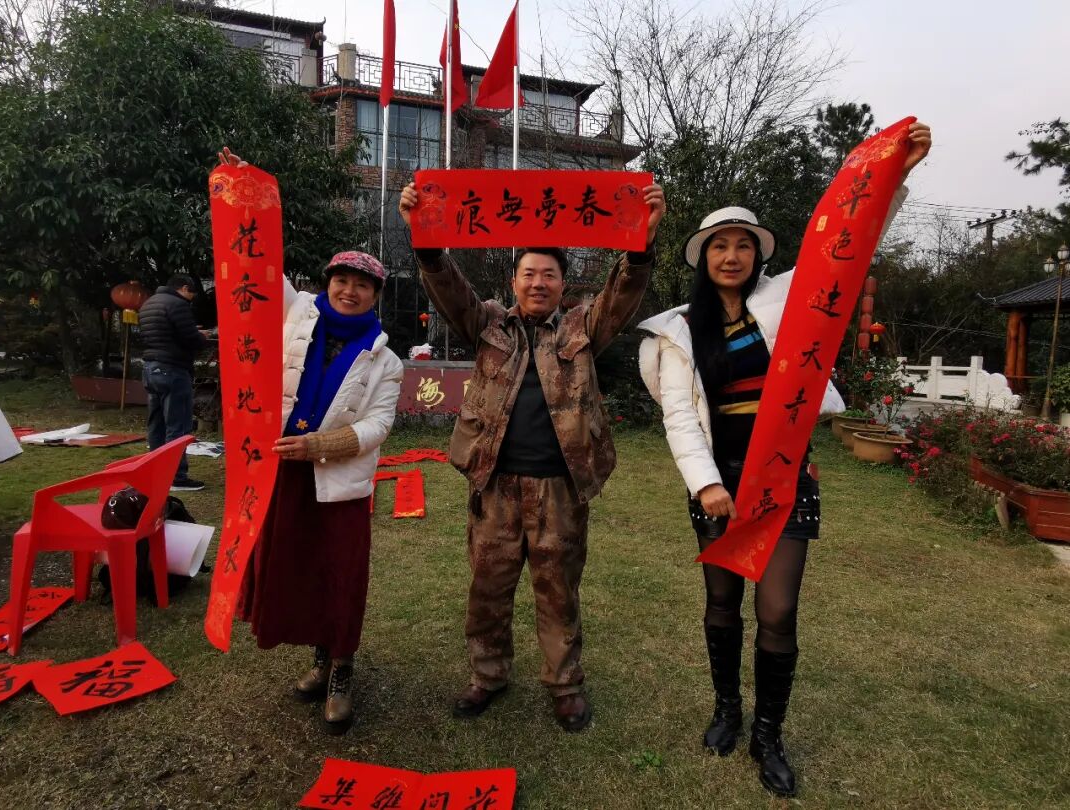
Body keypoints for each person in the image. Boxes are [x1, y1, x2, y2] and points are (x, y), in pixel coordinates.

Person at [637, 123, 931, 796]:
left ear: (757, 254)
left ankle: (768, 735)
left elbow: (852, 243)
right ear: (703, 256)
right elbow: (679, 416)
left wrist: (896, 176)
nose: (732, 256)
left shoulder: (789, 296)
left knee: (777, 612)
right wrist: (705, 485)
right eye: (720, 246)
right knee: (721, 604)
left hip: (785, 480)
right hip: (719, 485)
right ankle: (726, 710)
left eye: (743, 245)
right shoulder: (678, 330)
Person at [398, 180, 666, 731]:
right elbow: (448, 289)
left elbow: (621, 295)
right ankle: (487, 675)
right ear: (513, 281)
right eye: (529, 273)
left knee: (558, 590)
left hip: (559, 488)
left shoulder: (581, 327)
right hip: (494, 484)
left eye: (549, 274)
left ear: (563, 284)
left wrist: (641, 244)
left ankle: (565, 684)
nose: (538, 282)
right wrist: (424, 239)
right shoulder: (488, 324)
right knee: (487, 588)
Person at [217, 149, 404, 734]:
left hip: (338, 482)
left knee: (340, 576)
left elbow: (378, 426)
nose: (349, 291)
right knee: (296, 570)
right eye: (341, 281)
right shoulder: (295, 314)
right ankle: (319, 659)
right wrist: (244, 190)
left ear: (375, 295)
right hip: (281, 472)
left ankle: (342, 667)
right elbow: (257, 264)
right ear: (327, 283)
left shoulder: (386, 359)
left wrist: (321, 446)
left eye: (362, 285)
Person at [138, 274, 210, 491]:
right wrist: (202, 337)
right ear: (185, 288)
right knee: (177, 425)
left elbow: (164, 334)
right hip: (173, 370)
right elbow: (190, 338)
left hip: (150, 368)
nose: (191, 298)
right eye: (192, 294)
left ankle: (155, 471)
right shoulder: (178, 305)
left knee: (156, 424)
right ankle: (176, 477)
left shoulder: (149, 304)